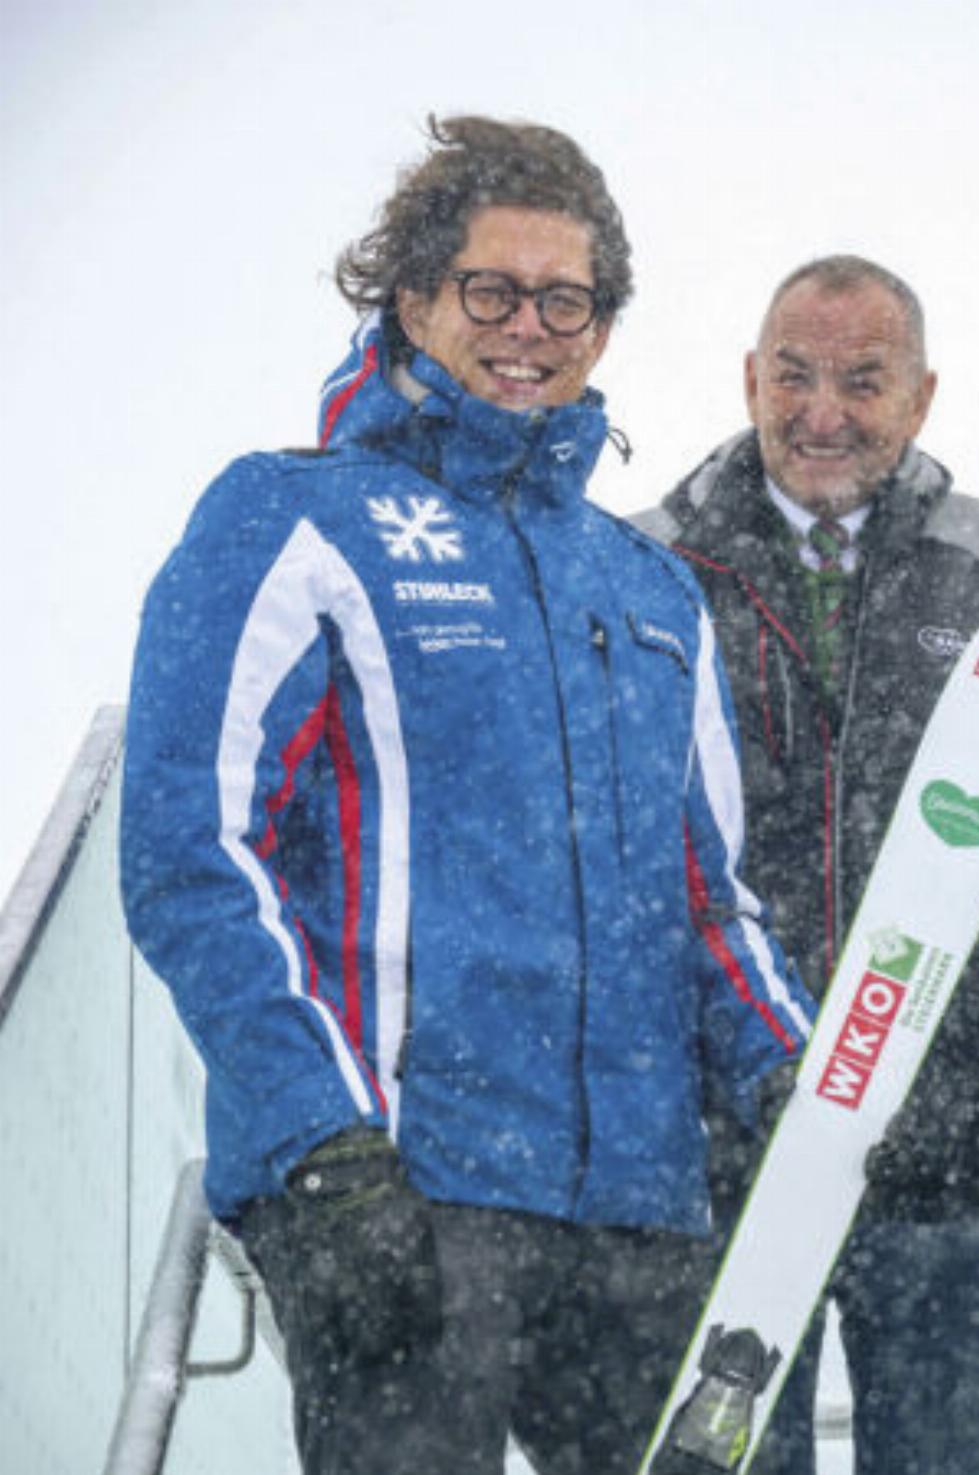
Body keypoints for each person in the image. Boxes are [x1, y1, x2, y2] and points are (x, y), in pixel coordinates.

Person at [119, 116, 813, 1475]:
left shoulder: (651, 584)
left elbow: (710, 897)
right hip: (403, 1182)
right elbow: (191, 849)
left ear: (603, 327)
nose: (528, 327)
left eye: (567, 299)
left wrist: (795, 1075)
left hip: (640, 1199)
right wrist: (323, 1140)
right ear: (415, 296)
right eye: (491, 290)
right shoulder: (292, 515)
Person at [632, 256, 979, 1475]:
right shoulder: (646, 564)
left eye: (863, 381)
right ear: (747, 379)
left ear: (924, 397)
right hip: (727, 1144)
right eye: (795, 376)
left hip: (948, 1137)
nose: (822, 412)